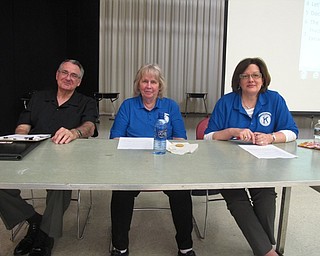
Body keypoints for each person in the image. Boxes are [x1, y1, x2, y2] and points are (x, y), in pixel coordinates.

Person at [0, 59, 98, 256]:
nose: (68, 78)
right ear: (57, 75)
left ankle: (44, 234)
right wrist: (20, 136)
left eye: (74, 76)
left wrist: (75, 133)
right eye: (64, 72)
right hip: (34, 154)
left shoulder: (86, 102)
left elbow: (90, 127)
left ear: (79, 82)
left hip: (67, 159)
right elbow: (23, 124)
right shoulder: (38, 98)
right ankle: (34, 219)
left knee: (59, 186)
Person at [204, 57, 298, 256]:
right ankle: (267, 251)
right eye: (245, 76)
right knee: (238, 201)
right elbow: (208, 136)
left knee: (265, 196)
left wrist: (271, 137)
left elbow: (292, 132)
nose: (251, 79)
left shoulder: (274, 99)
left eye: (255, 75)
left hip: (261, 166)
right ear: (238, 80)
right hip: (226, 168)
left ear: (263, 79)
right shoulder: (226, 102)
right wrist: (230, 131)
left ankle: (263, 247)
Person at [109, 64, 196, 256]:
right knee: (121, 193)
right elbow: (115, 139)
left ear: (159, 85)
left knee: (181, 193)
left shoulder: (171, 106)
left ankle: (185, 247)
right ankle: (120, 247)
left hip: (166, 164)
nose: (149, 86)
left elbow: (181, 139)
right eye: (144, 81)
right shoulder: (128, 106)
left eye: (153, 82)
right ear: (138, 84)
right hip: (131, 166)